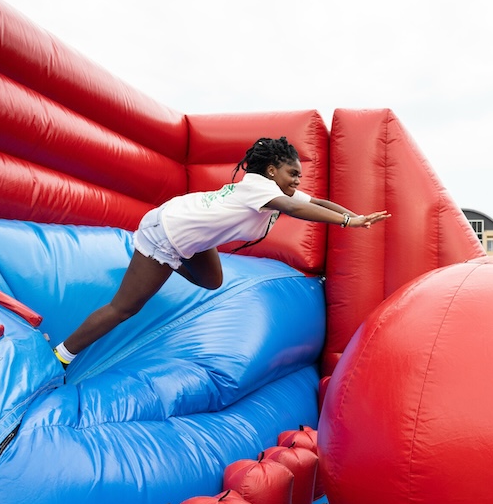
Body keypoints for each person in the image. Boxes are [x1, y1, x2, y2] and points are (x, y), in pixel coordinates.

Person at [53, 136, 390, 367]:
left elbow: (316, 202)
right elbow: (297, 209)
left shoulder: (277, 190)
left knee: (212, 281)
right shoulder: (261, 188)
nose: (297, 181)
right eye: (293, 174)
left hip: (192, 233)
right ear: (271, 170)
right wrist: (347, 222)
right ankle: (63, 354)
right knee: (124, 308)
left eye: (299, 176)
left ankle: (168, 263)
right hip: (167, 229)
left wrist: (356, 217)